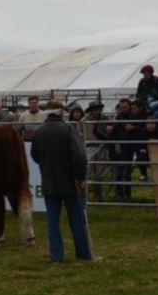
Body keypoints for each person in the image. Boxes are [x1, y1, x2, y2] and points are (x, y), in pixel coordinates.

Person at [30, 99, 92, 262]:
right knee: (76, 220)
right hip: (69, 181)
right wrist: (80, 177)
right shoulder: (68, 129)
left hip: (49, 181)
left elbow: (34, 155)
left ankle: (57, 255)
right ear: (60, 112)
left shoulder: (39, 132)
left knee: (52, 221)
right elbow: (79, 155)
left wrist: (46, 165)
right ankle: (83, 253)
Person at [81, 101, 109, 201]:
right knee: (86, 171)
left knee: (99, 173)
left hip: (102, 146)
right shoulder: (84, 121)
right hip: (89, 147)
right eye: (95, 109)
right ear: (91, 111)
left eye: (99, 109)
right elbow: (79, 133)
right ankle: (83, 195)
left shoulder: (105, 119)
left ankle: (98, 195)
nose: (97, 111)